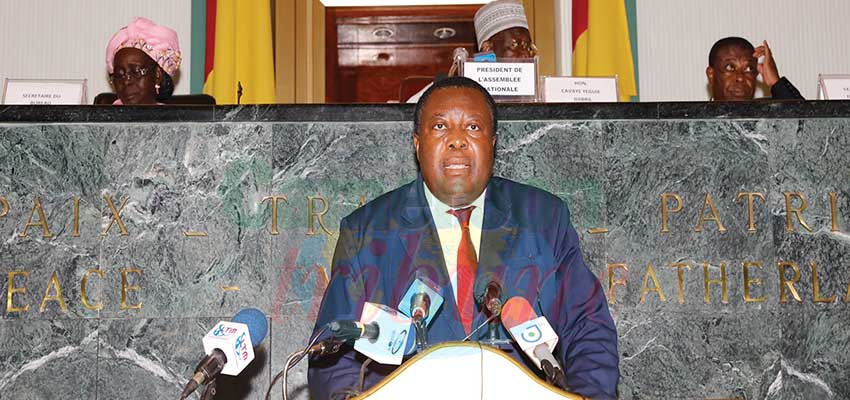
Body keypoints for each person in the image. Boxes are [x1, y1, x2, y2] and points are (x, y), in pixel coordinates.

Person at [308, 77, 619, 400]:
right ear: (417, 144)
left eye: (473, 127)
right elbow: (332, 359)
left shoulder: (543, 219)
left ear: (493, 142)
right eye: (440, 127)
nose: (457, 140)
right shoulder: (365, 231)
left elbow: (588, 329)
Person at [405, 0, 536, 102]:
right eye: (515, 45)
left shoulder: (538, 92)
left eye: (528, 47)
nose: (526, 54)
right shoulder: (448, 87)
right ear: (488, 48)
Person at [105, 17, 181, 105]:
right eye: (119, 74)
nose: (126, 81)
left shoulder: (173, 117)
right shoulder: (105, 116)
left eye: (135, 72)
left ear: (157, 75)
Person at [706, 36, 803, 101]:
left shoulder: (770, 115)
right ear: (711, 75)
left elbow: (808, 126)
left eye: (748, 68)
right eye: (730, 67)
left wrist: (775, 83)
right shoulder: (693, 119)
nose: (740, 77)